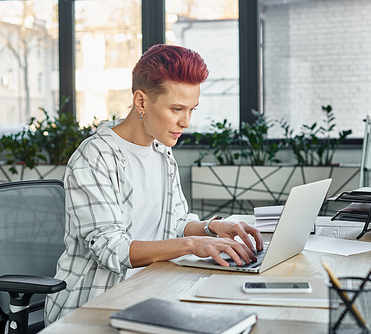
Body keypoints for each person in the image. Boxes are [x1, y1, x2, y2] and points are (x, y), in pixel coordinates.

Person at [44, 44, 263, 325]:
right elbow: (113, 250)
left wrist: (213, 228)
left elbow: (176, 222)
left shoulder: (162, 151)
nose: (185, 122)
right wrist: (193, 244)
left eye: (191, 110)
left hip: (153, 288)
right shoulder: (94, 157)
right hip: (94, 305)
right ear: (142, 102)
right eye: (176, 109)